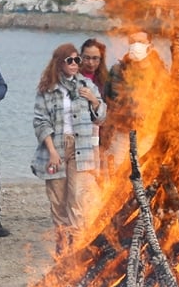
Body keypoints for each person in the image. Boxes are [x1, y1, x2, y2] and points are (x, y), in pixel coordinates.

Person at [32, 42, 106, 252]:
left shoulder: (87, 86)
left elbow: (101, 118)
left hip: (81, 147)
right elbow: (40, 121)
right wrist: (52, 152)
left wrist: (94, 101)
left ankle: (75, 249)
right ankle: (61, 246)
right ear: (59, 63)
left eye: (77, 60)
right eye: (70, 60)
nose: (75, 64)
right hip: (55, 146)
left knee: (79, 198)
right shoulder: (47, 89)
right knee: (58, 200)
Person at [102, 30, 167, 166]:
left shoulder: (159, 73)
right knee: (115, 173)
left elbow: (163, 103)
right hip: (120, 133)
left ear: (149, 46)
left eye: (140, 42)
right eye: (132, 42)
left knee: (137, 176)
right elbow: (106, 99)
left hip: (145, 135)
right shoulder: (117, 70)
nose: (136, 45)